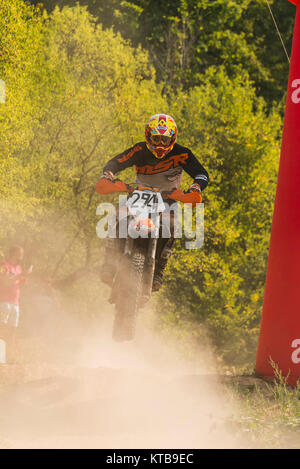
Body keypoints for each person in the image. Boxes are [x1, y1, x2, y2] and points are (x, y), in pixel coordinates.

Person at [97, 114, 209, 291]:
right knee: (118, 215)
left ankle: (159, 268)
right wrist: (108, 174)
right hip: (140, 193)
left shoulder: (183, 153)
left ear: (172, 138)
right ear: (148, 136)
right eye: (156, 139)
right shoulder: (140, 150)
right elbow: (116, 162)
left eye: (165, 140)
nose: (160, 144)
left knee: (171, 224)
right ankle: (109, 262)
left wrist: (195, 187)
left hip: (168, 197)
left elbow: (202, 173)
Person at [0, 245, 32, 363]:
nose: (22, 256)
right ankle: (1, 356)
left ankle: (9, 357)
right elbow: (4, 281)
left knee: (12, 330)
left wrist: (25, 277)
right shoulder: (4, 265)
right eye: (20, 253)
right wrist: (20, 276)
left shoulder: (18, 268)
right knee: (2, 329)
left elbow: (21, 285)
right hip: (4, 302)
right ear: (14, 253)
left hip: (15, 303)